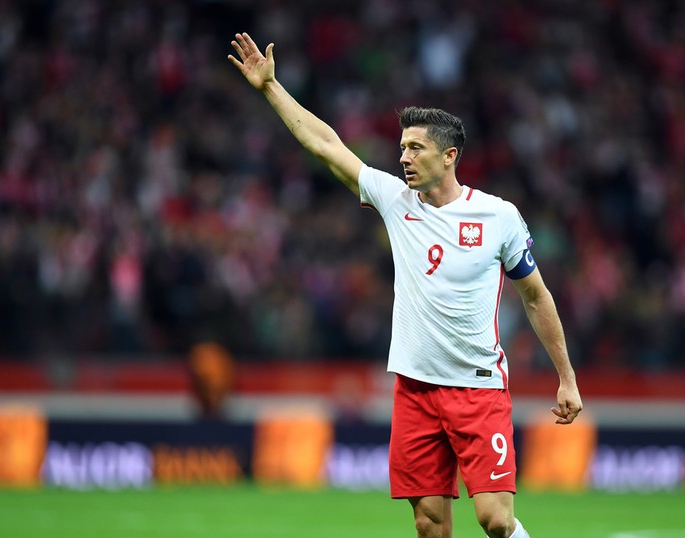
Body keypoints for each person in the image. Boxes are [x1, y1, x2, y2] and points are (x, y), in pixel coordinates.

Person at [228, 32, 583, 538]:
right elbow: (326, 144)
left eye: (416, 148)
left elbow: (535, 295)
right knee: (429, 526)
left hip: (477, 389)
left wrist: (566, 376)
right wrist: (270, 87)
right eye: (402, 148)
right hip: (415, 389)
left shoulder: (498, 217)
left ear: (449, 155)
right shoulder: (397, 201)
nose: (404, 158)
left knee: (496, 521)